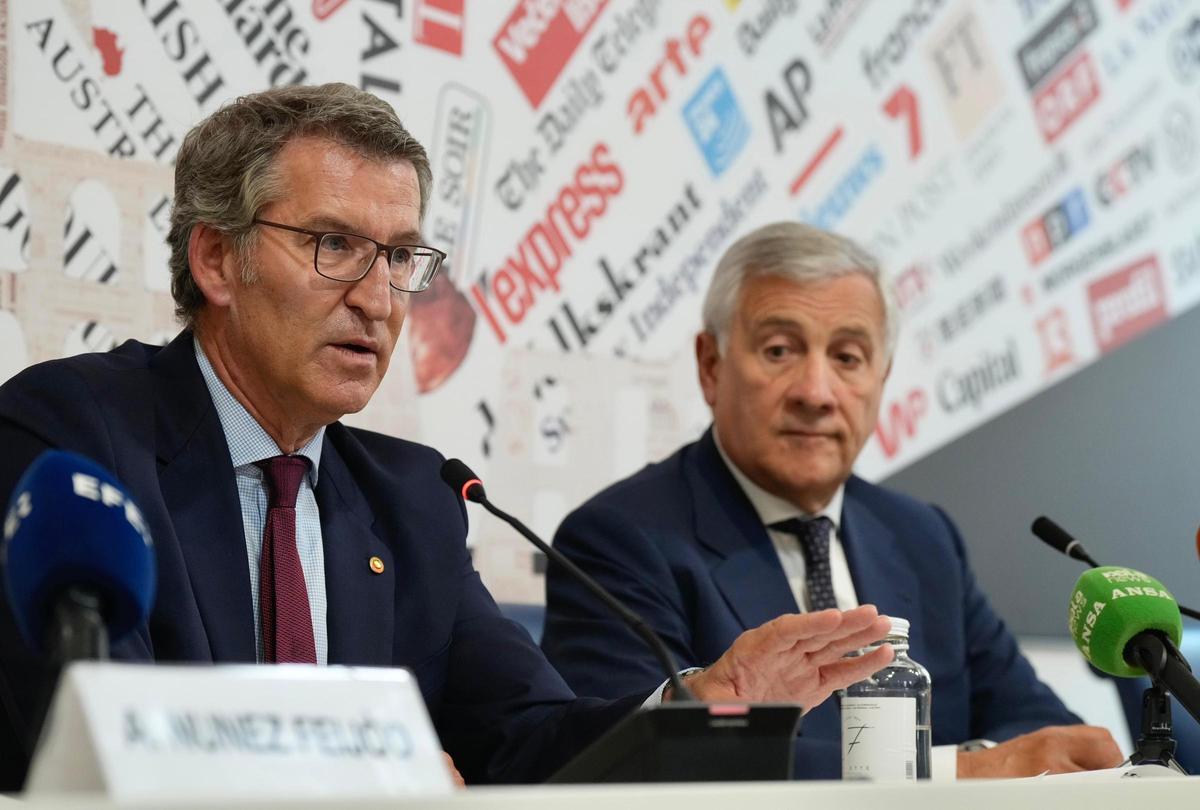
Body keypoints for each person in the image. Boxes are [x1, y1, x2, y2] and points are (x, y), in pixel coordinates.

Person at [0, 86, 895, 790]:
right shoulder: (76, 436)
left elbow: (529, 738)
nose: (379, 298)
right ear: (214, 259)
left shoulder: (413, 500)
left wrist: (701, 704)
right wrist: (362, 777)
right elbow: (84, 730)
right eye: (333, 245)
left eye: (398, 257)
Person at [541, 221, 1125, 779]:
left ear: (881, 377)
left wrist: (982, 769)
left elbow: (1040, 727)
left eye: (847, 357)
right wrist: (963, 771)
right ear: (711, 366)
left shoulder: (923, 536)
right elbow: (637, 767)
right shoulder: (618, 540)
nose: (816, 393)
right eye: (779, 350)